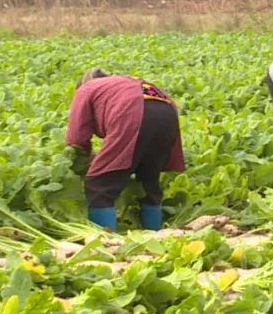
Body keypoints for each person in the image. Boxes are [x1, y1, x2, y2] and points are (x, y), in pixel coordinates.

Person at [65, 69, 186, 232]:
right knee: (148, 179)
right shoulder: (124, 82)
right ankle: (155, 236)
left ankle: (106, 243)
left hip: (131, 112)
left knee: (99, 184)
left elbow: (77, 137)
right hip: (167, 114)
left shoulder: (87, 88)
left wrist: (81, 161)